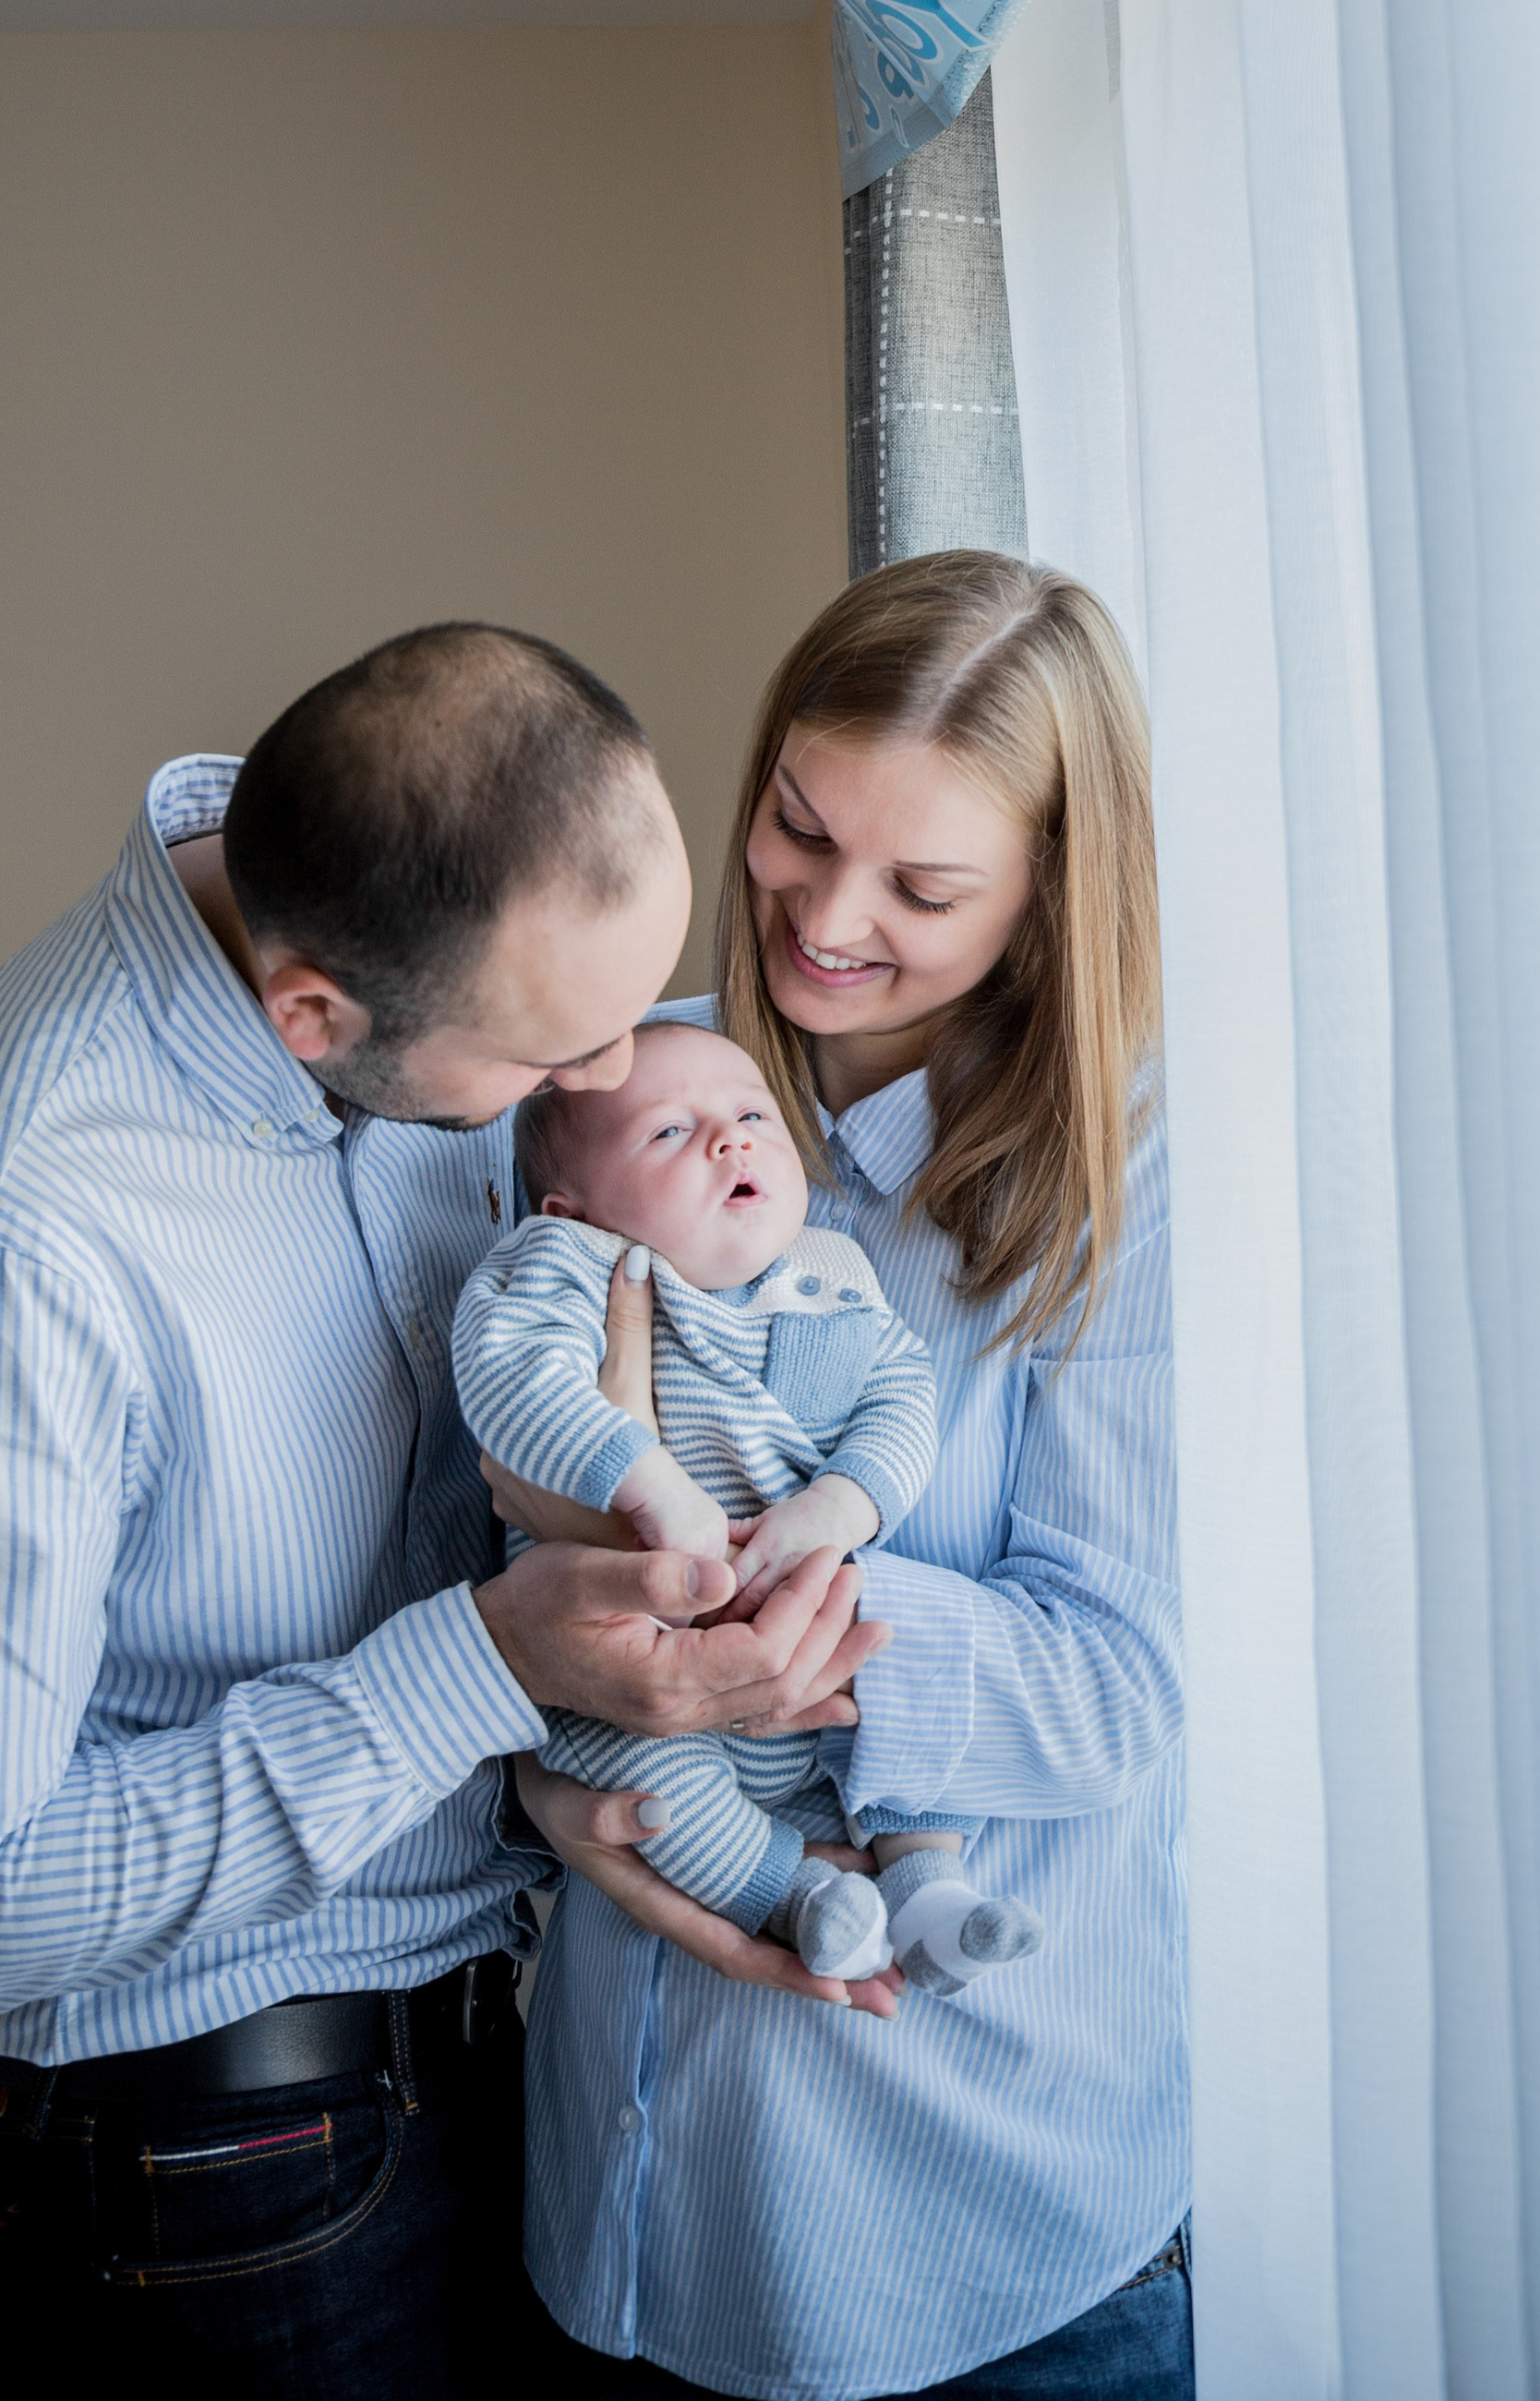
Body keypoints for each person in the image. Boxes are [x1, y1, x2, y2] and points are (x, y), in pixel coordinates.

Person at [0, 623, 886, 2401]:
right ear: (315, 1018)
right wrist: (483, 1672)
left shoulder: (440, 932)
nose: (604, 1086)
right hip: (206, 2192)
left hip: (489, 2058)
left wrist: (541, 1779)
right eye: (548, 1062)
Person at [494, 552, 1189, 2401]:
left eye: (922, 886)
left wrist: (735, 1611)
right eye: (796, 830)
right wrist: (555, 1782)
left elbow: (1119, 1682)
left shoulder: (1136, 1183)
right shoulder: (622, 1092)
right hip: (621, 2206)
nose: (821, 918)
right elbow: (479, 1555)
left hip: (965, 2230)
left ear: (1050, 896)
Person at [455, 1017, 1044, 1991]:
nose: (730, 1141)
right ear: (576, 1210)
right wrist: (649, 1490)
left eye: (749, 1116)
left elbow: (901, 1394)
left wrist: (842, 1508)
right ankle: (796, 1898)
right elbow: (512, 1384)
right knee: (648, 1787)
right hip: (640, 1671)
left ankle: (930, 1893)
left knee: (910, 1689)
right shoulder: (561, 1267)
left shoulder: (830, 1272)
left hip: (810, 1632)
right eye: (669, 1133)